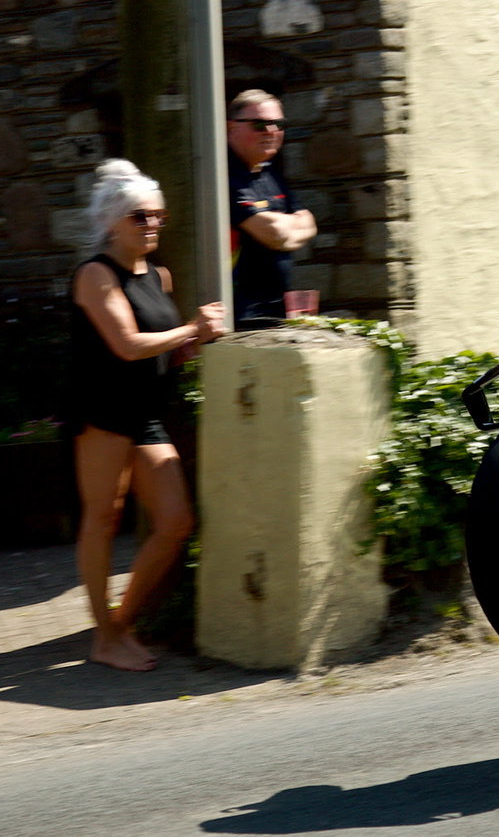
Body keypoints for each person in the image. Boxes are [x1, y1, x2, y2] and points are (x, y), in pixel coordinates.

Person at [69, 158, 228, 671]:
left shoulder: (158, 275)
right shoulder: (95, 274)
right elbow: (128, 343)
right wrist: (191, 330)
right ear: (113, 221)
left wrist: (192, 346)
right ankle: (106, 637)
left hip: (145, 412)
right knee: (102, 518)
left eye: (158, 216)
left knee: (177, 521)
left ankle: (118, 625)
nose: (153, 224)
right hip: (103, 411)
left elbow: (165, 350)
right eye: (141, 217)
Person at [227, 89, 317, 327]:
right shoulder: (226, 174)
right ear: (231, 128)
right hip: (239, 312)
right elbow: (275, 234)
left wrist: (283, 228)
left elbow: (309, 224)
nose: (271, 132)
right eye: (259, 125)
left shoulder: (268, 171)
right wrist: (288, 225)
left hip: (275, 307)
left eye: (277, 124)